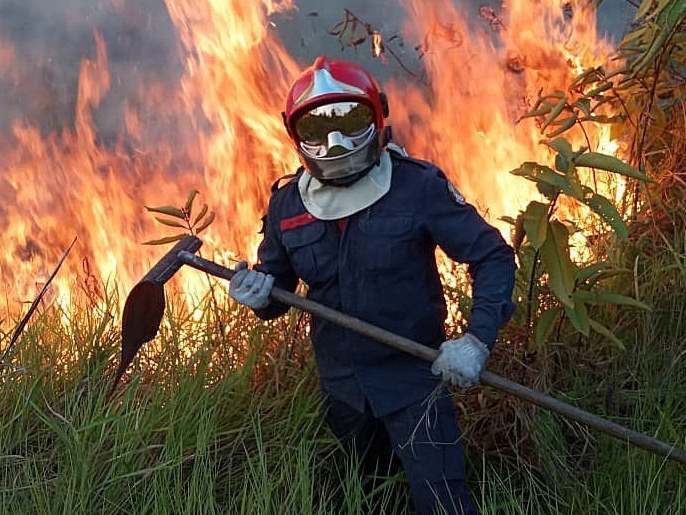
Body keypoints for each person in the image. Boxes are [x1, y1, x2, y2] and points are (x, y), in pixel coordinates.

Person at [228, 55, 516, 515]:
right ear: (294, 135)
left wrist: (477, 340)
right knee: (367, 499)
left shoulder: (416, 188)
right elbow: (277, 286)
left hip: (414, 383)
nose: (336, 140)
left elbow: (492, 256)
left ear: (377, 115)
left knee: (444, 503)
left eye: (349, 119)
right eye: (317, 129)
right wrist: (258, 294)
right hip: (342, 392)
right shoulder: (288, 205)